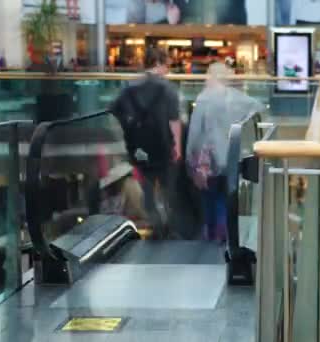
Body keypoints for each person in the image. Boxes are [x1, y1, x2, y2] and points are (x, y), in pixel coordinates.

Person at [186, 63, 264, 242]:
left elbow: (195, 134)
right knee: (225, 199)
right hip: (231, 157)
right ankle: (225, 238)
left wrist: (191, 161)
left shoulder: (204, 98)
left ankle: (212, 237)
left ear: (212, 76)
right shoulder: (235, 97)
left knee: (209, 201)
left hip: (209, 162)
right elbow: (258, 107)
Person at [110, 48, 182, 240]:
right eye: (166, 65)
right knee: (168, 190)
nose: (167, 69)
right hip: (164, 147)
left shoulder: (129, 87)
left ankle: (155, 225)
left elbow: (115, 111)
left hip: (139, 149)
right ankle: (169, 228)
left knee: (147, 190)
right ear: (158, 64)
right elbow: (174, 120)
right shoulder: (167, 88)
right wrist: (178, 148)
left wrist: (129, 129)